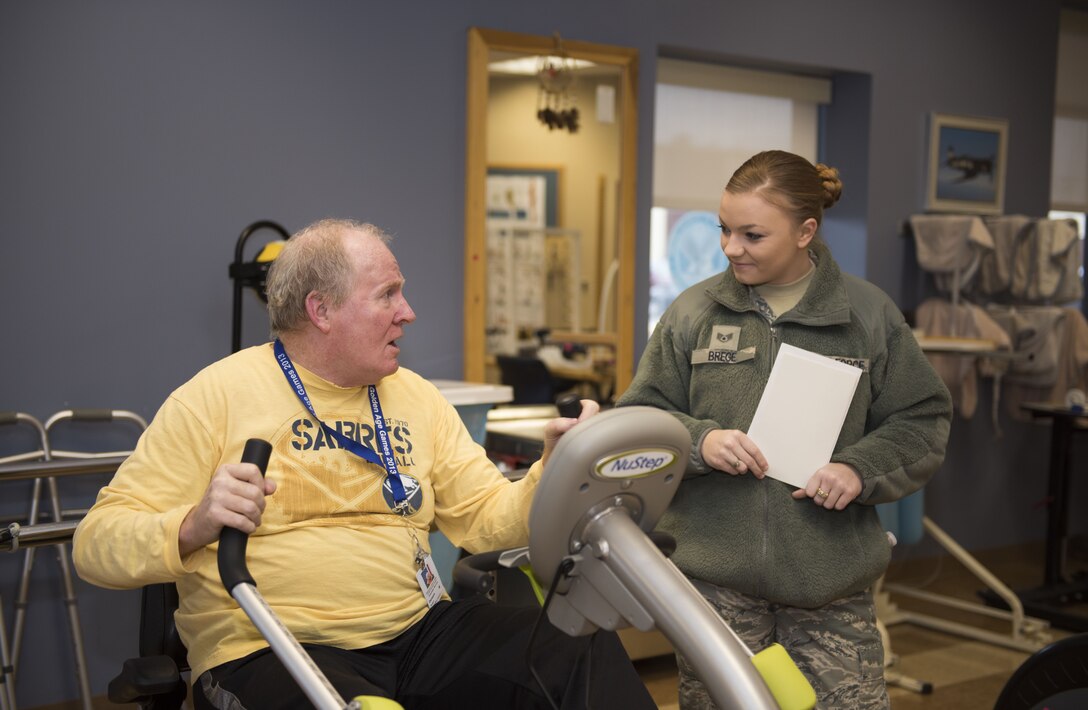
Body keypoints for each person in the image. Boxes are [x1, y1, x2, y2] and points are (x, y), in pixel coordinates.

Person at [73, 218, 655, 709]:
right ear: (321, 310)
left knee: (575, 644)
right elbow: (95, 543)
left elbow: (487, 520)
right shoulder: (215, 397)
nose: (409, 312)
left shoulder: (416, 398)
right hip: (270, 646)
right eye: (388, 295)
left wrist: (552, 470)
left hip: (417, 631)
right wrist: (192, 525)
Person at [617, 150, 952, 708]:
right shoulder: (693, 311)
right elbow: (638, 417)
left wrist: (858, 469)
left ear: (806, 232)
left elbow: (922, 419)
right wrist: (700, 440)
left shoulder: (866, 315)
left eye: (752, 235)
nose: (730, 248)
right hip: (714, 588)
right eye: (724, 230)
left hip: (830, 591)